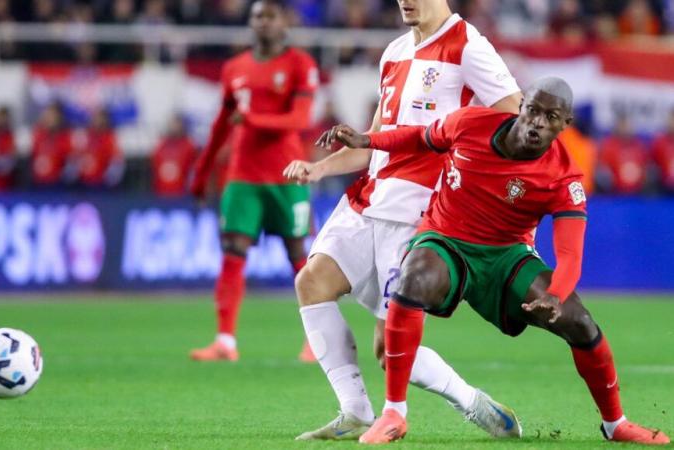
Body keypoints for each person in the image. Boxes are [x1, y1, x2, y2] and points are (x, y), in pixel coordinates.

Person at [322, 77, 670, 446]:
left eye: (550, 117)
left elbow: (570, 255)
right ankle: (394, 412)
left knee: (579, 321)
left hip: (506, 256)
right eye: (533, 110)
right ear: (521, 106)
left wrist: (556, 293)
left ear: (564, 124)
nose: (537, 122)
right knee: (414, 278)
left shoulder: (564, 178)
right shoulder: (469, 123)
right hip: (446, 240)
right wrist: (368, 140)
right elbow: (419, 137)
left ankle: (616, 424)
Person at [283, 0, 523, 441]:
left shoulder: (468, 45)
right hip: (369, 197)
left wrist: (472, 179)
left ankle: (471, 402)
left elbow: (513, 116)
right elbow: (375, 139)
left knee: (388, 348)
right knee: (311, 282)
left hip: (419, 209)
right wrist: (318, 168)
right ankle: (355, 411)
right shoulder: (394, 51)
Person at [189, 0, 318, 362]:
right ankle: (225, 341)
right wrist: (201, 175)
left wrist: (252, 119)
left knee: (300, 258)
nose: (262, 22)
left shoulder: (300, 64)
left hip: (287, 174)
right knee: (232, 253)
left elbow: (299, 119)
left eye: (269, 16)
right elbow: (220, 126)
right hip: (242, 176)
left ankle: (317, 341)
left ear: (283, 22)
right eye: (256, 16)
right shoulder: (234, 68)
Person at [72, 109, 123, 189]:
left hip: (101, 183)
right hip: (82, 183)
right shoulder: (85, 136)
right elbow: (76, 155)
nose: (96, 120)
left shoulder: (109, 138)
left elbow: (115, 160)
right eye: (94, 117)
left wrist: (110, 179)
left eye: (99, 118)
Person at [151, 115, 196, 197]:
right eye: (172, 124)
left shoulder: (188, 145)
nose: (173, 127)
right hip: (161, 192)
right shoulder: (161, 144)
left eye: (176, 125)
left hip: (181, 193)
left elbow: (192, 169)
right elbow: (155, 165)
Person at [30, 102, 72, 188]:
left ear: (58, 118)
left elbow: (67, 158)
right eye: (47, 116)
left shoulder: (65, 136)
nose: (49, 119)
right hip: (38, 182)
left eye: (52, 116)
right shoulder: (38, 134)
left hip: (57, 182)